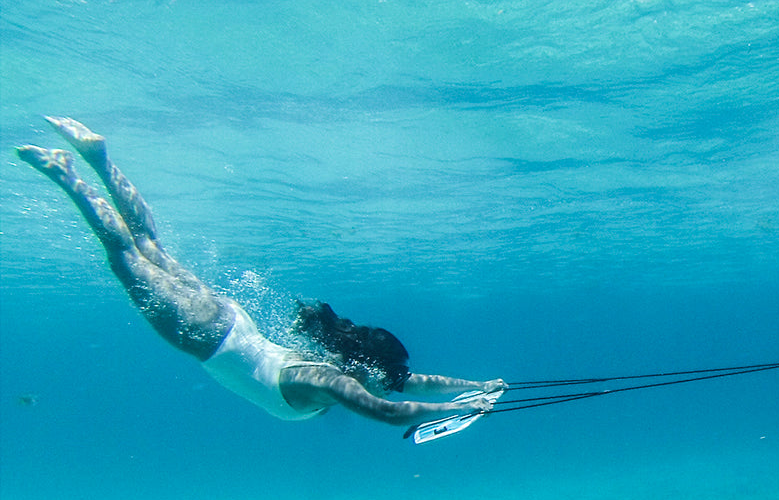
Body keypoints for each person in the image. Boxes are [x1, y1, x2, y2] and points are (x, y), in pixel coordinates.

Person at [15, 117, 505, 434]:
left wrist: (477, 385)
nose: (380, 384)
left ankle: (99, 157)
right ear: (361, 367)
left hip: (229, 321)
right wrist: (458, 411)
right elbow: (385, 409)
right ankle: (70, 176)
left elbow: (404, 384)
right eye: (377, 377)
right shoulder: (330, 381)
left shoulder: (339, 364)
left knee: (149, 248)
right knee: (126, 256)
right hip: (210, 336)